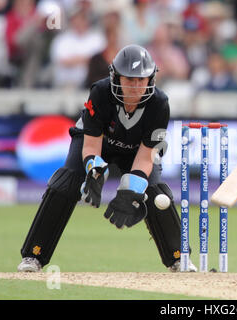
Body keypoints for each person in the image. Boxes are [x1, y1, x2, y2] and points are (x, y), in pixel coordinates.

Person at [17, 44, 197, 273]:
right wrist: (94, 169)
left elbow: (145, 156)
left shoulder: (159, 103)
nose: (135, 85)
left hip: (137, 150)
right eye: (129, 79)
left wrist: (133, 188)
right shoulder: (101, 92)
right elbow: (91, 144)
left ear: (151, 78)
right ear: (116, 77)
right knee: (65, 184)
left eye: (141, 79)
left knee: (155, 193)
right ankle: (34, 256)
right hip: (98, 141)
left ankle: (178, 258)